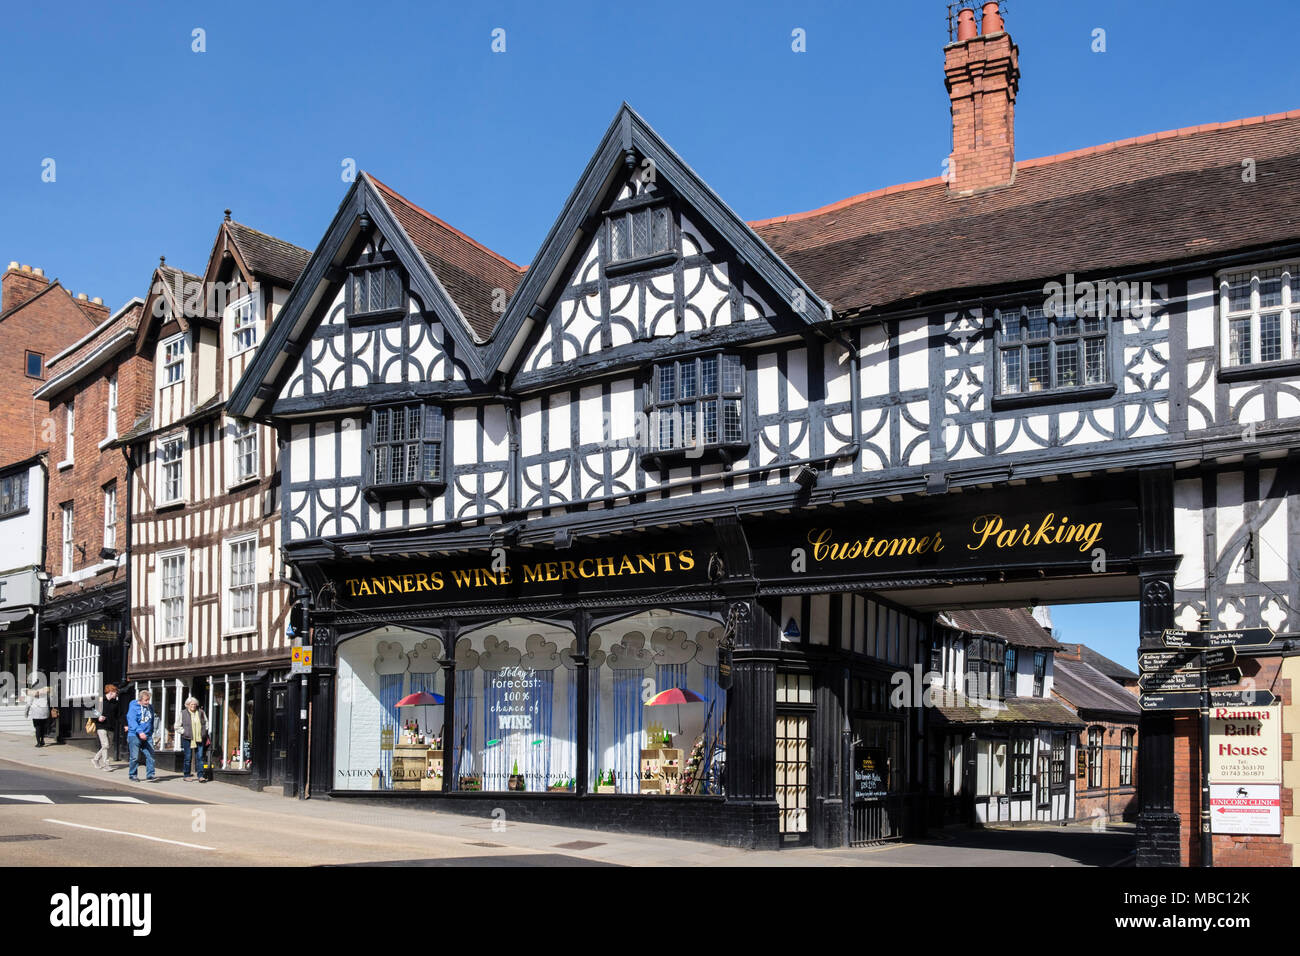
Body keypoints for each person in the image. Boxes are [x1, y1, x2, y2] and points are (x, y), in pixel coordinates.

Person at [126, 689, 157, 782]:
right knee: (135, 757)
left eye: (148, 700)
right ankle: (132, 775)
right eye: (145, 700)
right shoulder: (133, 708)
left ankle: (150, 774)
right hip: (135, 735)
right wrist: (140, 732)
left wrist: (151, 732)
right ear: (140, 700)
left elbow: (151, 721)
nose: (147, 702)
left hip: (147, 735)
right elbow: (132, 721)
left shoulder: (150, 707)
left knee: (150, 755)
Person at [177, 696, 209, 782]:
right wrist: (184, 732)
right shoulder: (183, 713)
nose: (193, 706)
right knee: (188, 757)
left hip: (199, 738)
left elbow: (206, 723)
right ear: (187, 705)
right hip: (187, 738)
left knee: (200, 757)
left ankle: (200, 776)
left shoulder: (201, 712)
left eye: (195, 704)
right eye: (191, 704)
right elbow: (177, 726)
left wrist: (204, 732)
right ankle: (186, 775)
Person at [91, 684, 120, 771]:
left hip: (111, 727)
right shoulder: (100, 700)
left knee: (108, 745)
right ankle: (106, 764)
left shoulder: (115, 703)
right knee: (105, 744)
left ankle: (95, 759)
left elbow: (117, 715)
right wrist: (98, 717)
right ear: (111, 692)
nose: (116, 694)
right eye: (116, 692)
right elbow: (92, 711)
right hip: (101, 726)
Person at [23, 683, 50, 747]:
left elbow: (28, 704)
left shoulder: (32, 694)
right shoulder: (45, 693)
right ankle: (42, 740)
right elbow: (50, 700)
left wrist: (26, 713)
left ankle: (38, 743)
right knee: (43, 727)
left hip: (36, 713)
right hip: (44, 711)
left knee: (37, 727)